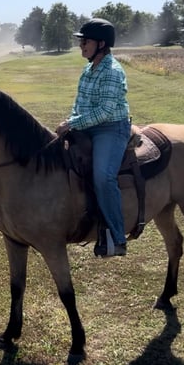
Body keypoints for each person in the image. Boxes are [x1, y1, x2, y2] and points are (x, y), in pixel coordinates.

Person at [56, 18, 130, 257]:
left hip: (111, 128)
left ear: (101, 43)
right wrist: (72, 122)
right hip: (88, 125)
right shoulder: (88, 70)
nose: (81, 45)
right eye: (81, 41)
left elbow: (105, 112)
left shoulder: (111, 71)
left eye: (85, 41)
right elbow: (80, 104)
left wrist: (72, 123)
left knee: (103, 177)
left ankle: (117, 238)